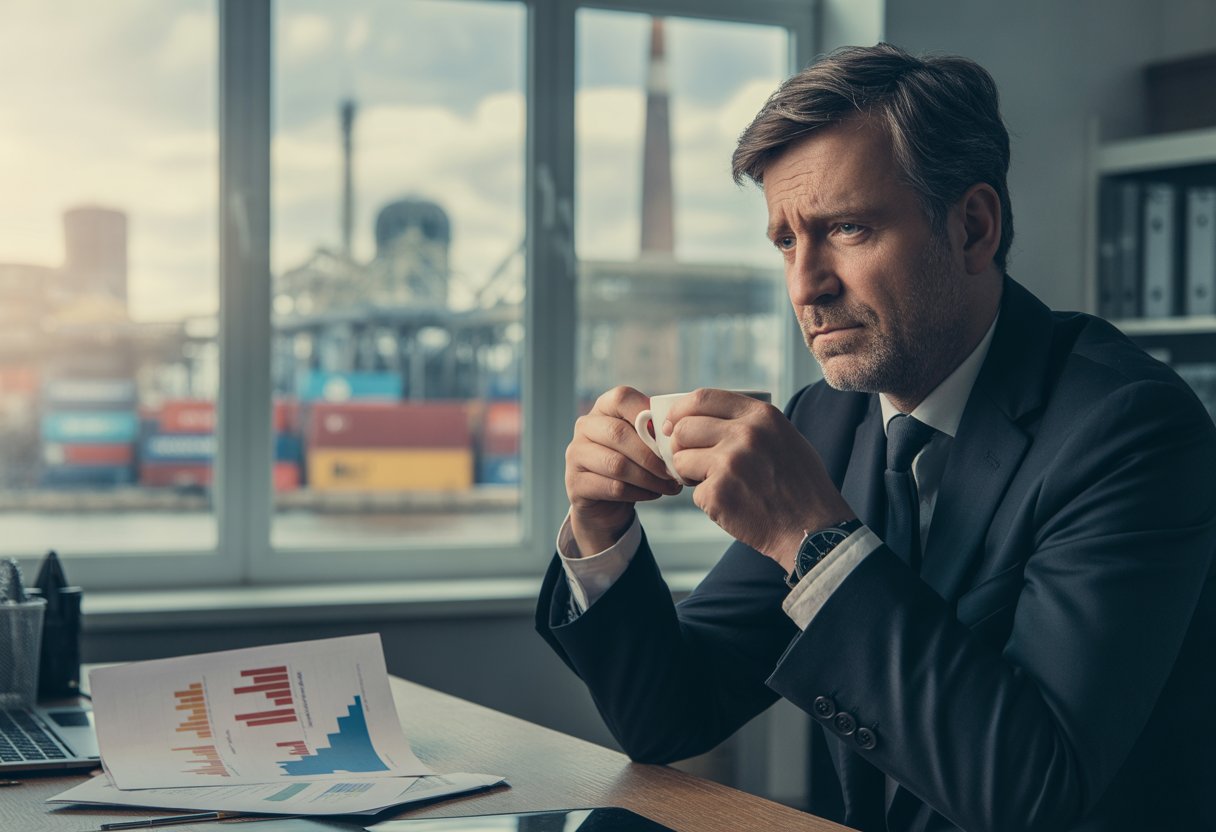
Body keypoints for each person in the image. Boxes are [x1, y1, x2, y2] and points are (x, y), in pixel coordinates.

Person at [535, 42, 1216, 832]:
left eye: (847, 229)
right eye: (787, 241)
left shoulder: (1131, 429)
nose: (805, 285)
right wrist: (600, 528)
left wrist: (811, 536)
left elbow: (1036, 790)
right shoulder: (827, 418)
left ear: (972, 227)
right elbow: (673, 713)